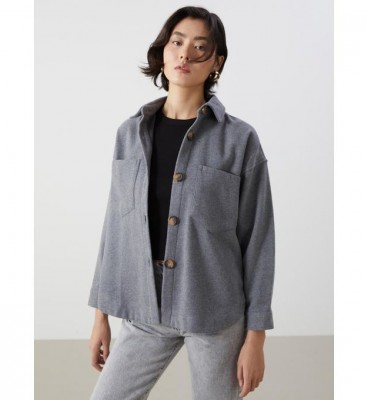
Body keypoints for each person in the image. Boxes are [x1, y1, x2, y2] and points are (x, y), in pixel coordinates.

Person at [88, 6, 275, 400]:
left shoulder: (239, 140)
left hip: (216, 312)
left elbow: (258, 240)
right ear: (164, 50)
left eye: (200, 46)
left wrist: (255, 337)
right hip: (145, 307)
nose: (185, 53)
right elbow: (115, 226)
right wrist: (100, 315)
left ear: (216, 62)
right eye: (177, 42)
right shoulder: (129, 134)